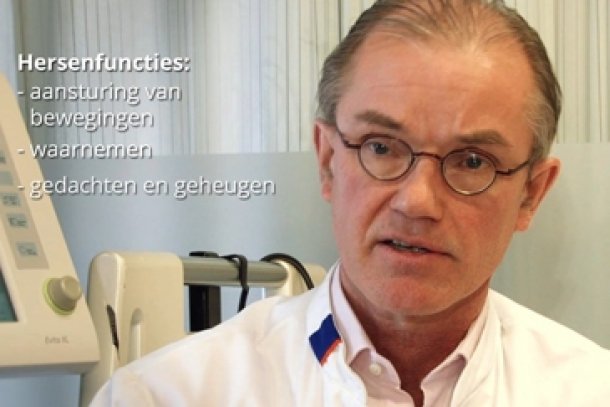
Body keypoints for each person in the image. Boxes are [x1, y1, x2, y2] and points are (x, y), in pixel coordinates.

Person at [91, 0, 610, 405]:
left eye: (472, 161)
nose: (417, 201)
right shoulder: (166, 395)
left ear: (531, 194)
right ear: (327, 161)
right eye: (381, 147)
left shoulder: (591, 390)